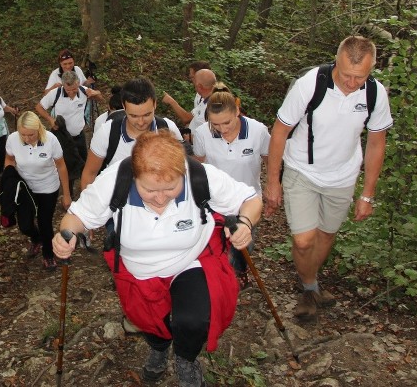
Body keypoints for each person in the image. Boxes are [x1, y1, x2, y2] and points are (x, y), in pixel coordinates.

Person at [53, 130, 262, 387]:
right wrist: (66, 234)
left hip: (190, 259)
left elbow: (250, 199)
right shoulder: (115, 180)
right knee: (149, 322)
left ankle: (186, 360)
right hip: (139, 269)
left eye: (171, 188)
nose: (161, 198)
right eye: (150, 190)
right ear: (135, 177)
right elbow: (77, 217)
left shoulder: (198, 174)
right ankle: (159, 347)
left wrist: (245, 223)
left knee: (194, 320)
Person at [265, 35, 393, 321]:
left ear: (371, 70)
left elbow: (376, 143)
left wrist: (367, 194)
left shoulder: (374, 94)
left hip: (343, 176)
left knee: (326, 235)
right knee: (303, 241)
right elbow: (280, 131)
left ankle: (309, 282)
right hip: (302, 170)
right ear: (336, 61)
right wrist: (273, 181)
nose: (351, 82)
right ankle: (309, 287)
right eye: (347, 74)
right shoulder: (310, 84)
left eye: (360, 77)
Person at [193, 85, 269, 288]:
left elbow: (269, 158)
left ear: (237, 111)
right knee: (218, 247)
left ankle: (240, 270)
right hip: (215, 201)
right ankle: (222, 281)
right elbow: (198, 165)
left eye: (226, 122)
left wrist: (273, 186)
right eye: (215, 124)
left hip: (247, 200)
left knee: (243, 243)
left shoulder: (258, 131)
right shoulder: (202, 133)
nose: (222, 129)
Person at [80, 77, 183, 194]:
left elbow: (181, 169)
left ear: (155, 104)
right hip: (118, 204)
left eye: (147, 114)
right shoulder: (107, 133)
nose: (141, 122)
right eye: (134, 116)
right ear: (123, 107)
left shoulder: (168, 129)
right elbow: (89, 174)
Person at [5, 111, 71, 270]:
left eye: (30, 135)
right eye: (23, 135)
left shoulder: (51, 140)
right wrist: (9, 178)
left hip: (48, 187)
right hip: (25, 188)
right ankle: (36, 239)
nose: (26, 138)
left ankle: (48, 255)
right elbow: (9, 159)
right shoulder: (13, 139)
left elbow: (61, 166)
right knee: (25, 225)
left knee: (44, 223)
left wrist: (66, 194)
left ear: (39, 130)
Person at [35, 71, 102, 201]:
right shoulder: (56, 94)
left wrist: (96, 93)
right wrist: (50, 119)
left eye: (74, 89)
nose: (72, 92)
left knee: (85, 164)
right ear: (63, 86)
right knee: (67, 166)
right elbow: (39, 107)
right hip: (62, 137)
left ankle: (86, 193)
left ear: (78, 84)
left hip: (79, 135)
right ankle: (68, 196)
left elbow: (100, 98)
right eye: (69, 89)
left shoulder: (83, 91)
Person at [162, 69, 217, 136]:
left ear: (199, 86)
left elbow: (213, 134)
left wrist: (191, 139)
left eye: (194, 81)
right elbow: (188, 117)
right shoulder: (204, 100)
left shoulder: (215, 106)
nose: (193, 83)